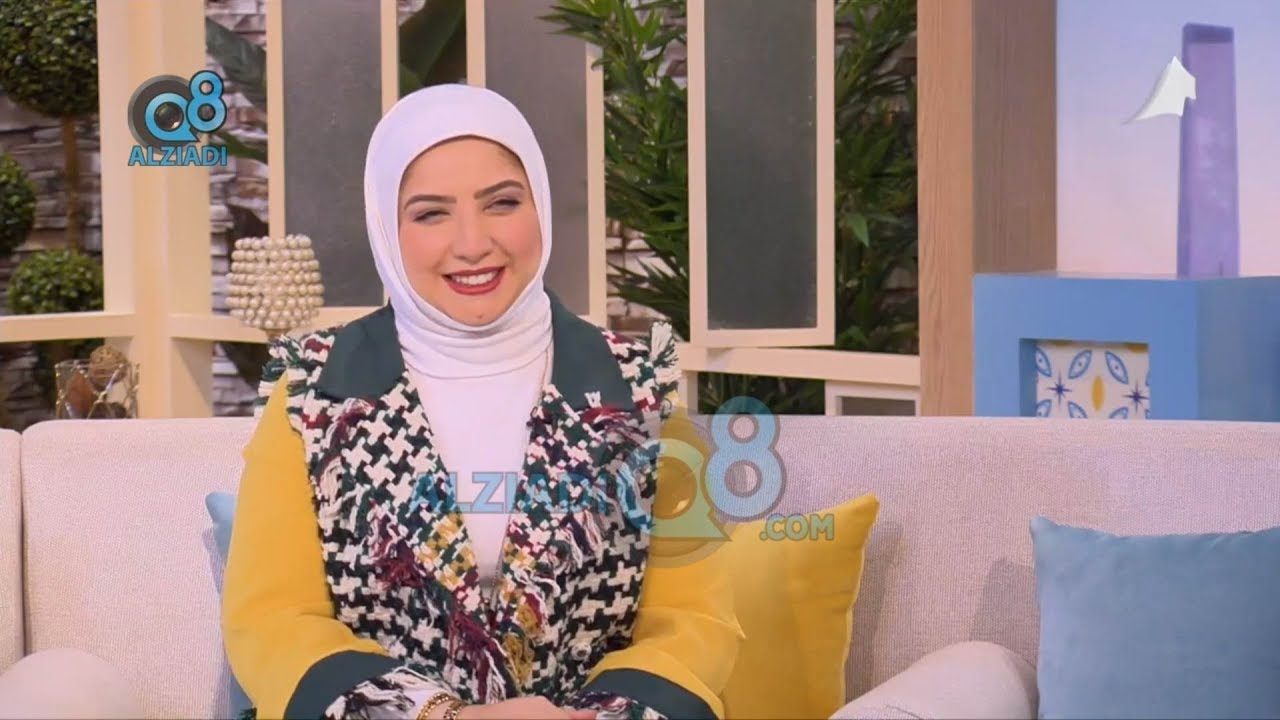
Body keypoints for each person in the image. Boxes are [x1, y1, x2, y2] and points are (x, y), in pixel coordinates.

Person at [221, 83, 742, 720]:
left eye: (501, 203)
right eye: (431, 214)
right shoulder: (313, 391)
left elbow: (693, 620)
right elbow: (274, 618)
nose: (472, 243)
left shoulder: (638, 388)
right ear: (386, 228)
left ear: (540, 206)